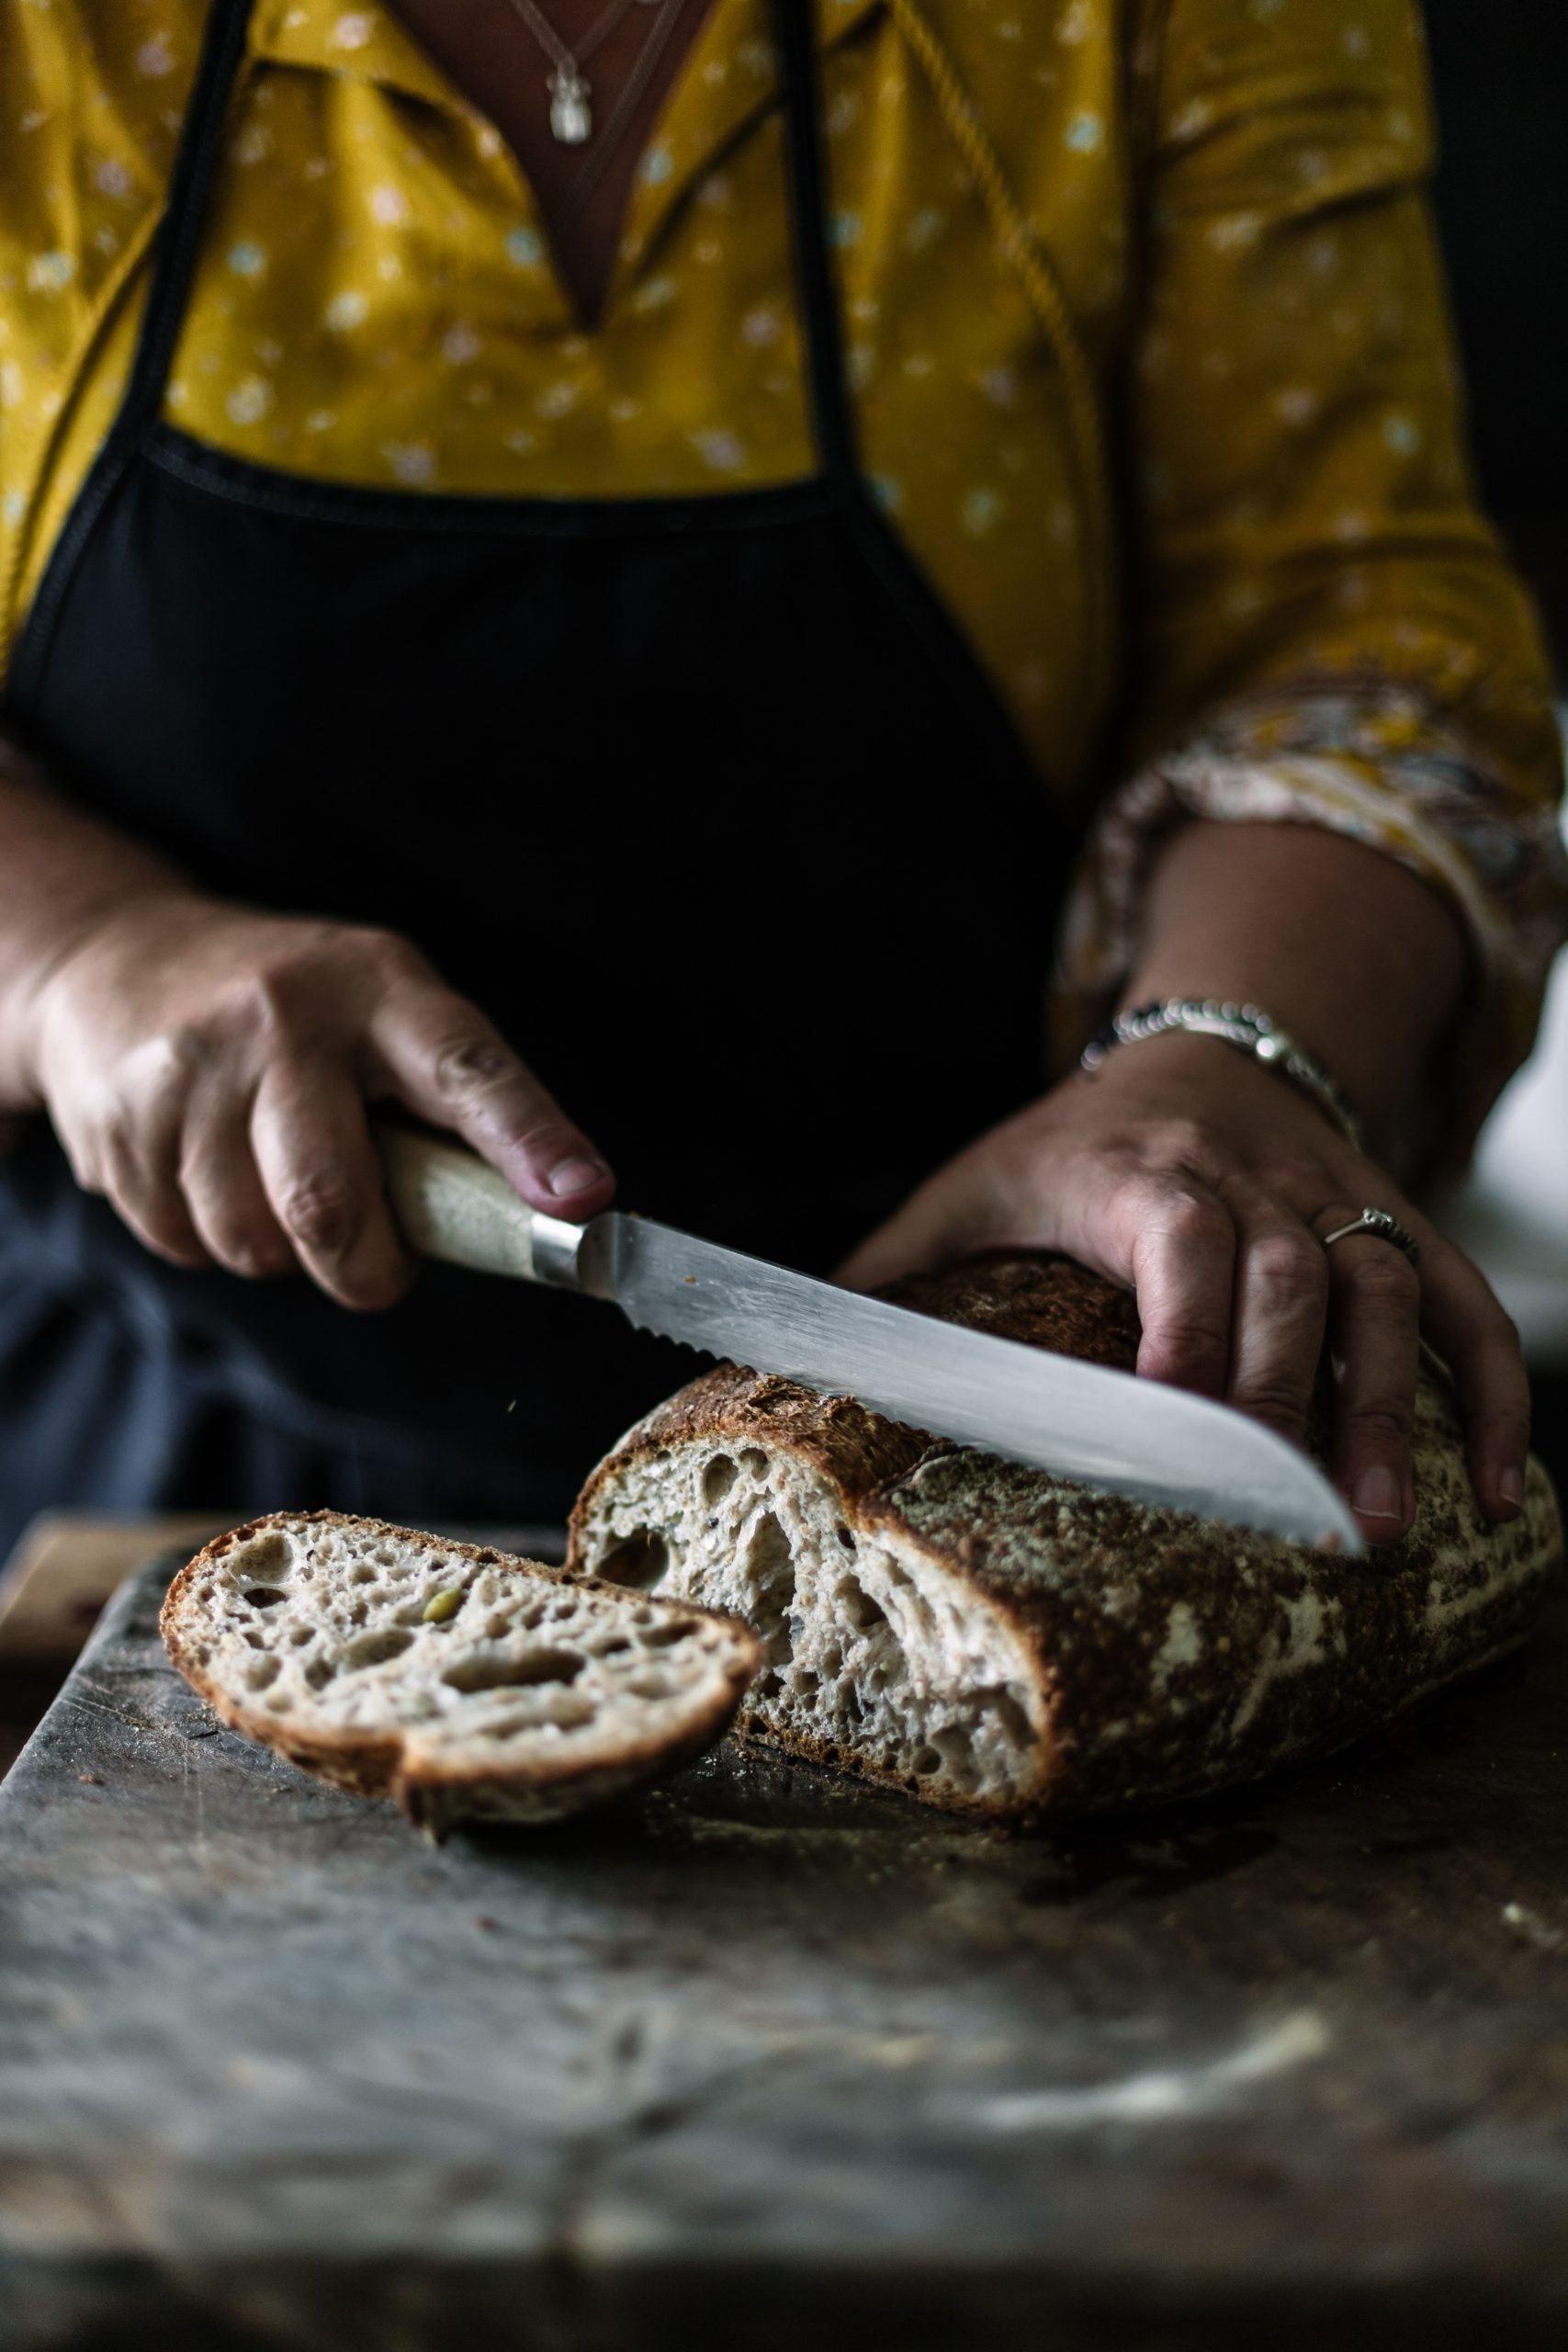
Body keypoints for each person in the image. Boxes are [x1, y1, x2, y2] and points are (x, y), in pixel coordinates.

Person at [0, 0, 1561, 1562]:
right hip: (147, 1456)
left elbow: (1355, 641)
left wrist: (1225, 1055)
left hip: (1017, 1451)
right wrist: (75, 951)